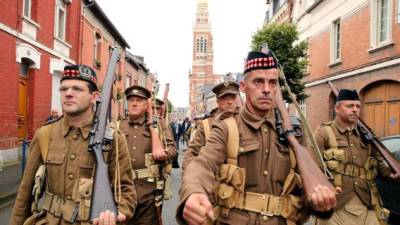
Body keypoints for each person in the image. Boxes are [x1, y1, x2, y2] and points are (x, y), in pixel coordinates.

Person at [177, 50, 336, 225]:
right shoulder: (227, 127)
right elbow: (202, 164)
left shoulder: (294, 132)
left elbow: (309, 180)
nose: (267, 89)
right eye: (258, 82)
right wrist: (193, 192)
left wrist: (320, 200)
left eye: (272, 83)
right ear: (244, 87)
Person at [10, 64, 136, 225]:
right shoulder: (45, 133)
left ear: (94, 96)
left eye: (77, 89)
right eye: (63, 89)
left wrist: (118, 213)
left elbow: (127, 191)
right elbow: (24, 193)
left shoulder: (113, 139)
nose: (68, 93)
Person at [312, 89, 400, 225]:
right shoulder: (323, 132)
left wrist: (392, 174)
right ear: (337, 108)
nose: (355, 110)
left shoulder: (367, 136)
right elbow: (314, 168)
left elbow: (379, 165)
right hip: (337, 204)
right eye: (350, 106)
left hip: (367, 201)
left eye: (358, 106)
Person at [119, 85, 177, 225]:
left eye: (139, 100)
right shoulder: (117, 125)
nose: (134, 103)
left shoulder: (159, 125)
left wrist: (165, 154)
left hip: (149, 194)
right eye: (131, 99)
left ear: (146, 105)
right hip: (122, 193)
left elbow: (173, 149)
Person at [181, 80, 240, 171]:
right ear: (218, 101)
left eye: (233, 97)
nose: (230, 102)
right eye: (225, 97)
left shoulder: (244, 121)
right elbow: (191, 155)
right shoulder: (207, 125)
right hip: (212, 180)